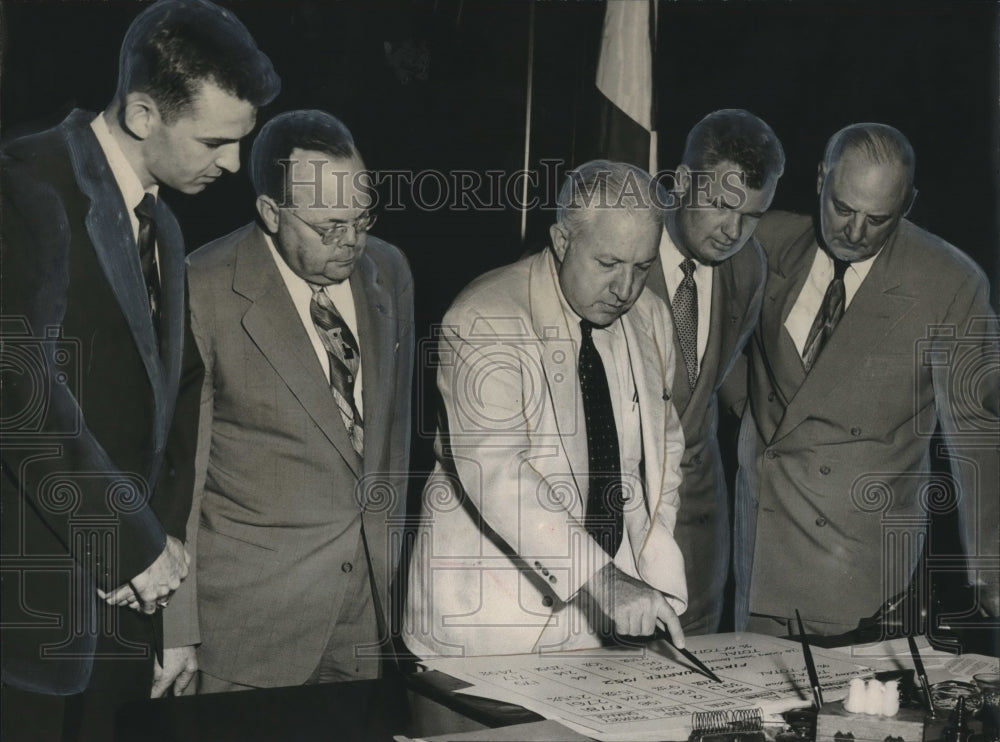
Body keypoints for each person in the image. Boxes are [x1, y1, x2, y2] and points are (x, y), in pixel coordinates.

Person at [0, 0, 279, 738]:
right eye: (215, 141)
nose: (232, 165)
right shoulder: (24, 185)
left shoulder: (163, 218)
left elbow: (172, 414)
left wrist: (165, 612)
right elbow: (16, 394)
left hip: (127, 614)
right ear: (145, 113)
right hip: (30, 625)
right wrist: (127, 545)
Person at [161, 110, 414, 692]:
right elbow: (182, 473)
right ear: (272, 214)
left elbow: (391, 440)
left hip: (367, 617)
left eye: (361, 217)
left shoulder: (389, 269)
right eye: (328, 226)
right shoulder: (201, 286)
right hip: (249, 624)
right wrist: (177, 627)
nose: (351, 242)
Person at [403, 160, 688, 657]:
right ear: (561, 241)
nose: (626, 289)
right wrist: (607, 580)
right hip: (491, 624)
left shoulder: (652, 318)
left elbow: (664, 450)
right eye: (608, 264)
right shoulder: (483, 318)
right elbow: (497, 475)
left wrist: (649, 563)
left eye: (642, 267)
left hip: (603, 621)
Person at [734, 123, 999, 637]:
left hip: (858, 572)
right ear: (820, 180)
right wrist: (739, 406)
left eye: (878, 219)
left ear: (908, 204)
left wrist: (991, 566)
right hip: (758, 555)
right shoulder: (766, 241)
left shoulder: (949, 283)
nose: (854, 233)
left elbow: (979, 429)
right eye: (842, 208)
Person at [643, 109, 784, 634]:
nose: (734, 231)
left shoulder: (749, 268)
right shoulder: (618, 243)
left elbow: (710, 381)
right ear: (681, 182)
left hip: (697, 524)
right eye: (722, 206)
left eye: (752, 215)